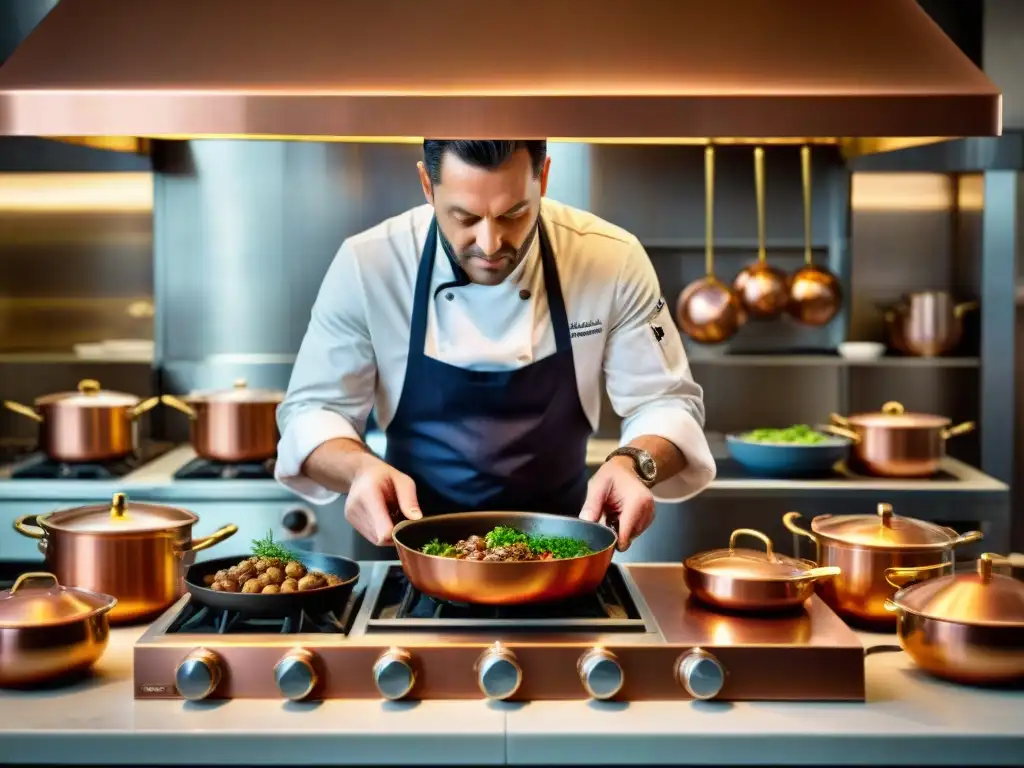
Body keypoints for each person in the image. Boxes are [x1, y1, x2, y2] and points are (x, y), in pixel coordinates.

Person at [275, 140, 715, 552]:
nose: (490, 245)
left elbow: (665, 402)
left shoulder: (609, 258)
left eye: (514, 214)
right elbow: (313, 412)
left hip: (562, 555)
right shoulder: (369, 263)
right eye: (465, 218)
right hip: (408, 556)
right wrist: (359, 469)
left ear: (542, 177)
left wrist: (632, 464)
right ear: (427, 186)